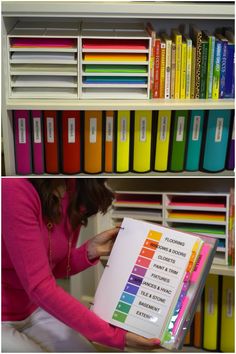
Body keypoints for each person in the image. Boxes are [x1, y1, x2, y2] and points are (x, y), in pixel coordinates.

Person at [2, 178, 161, 352]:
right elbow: (40, 286)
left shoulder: (73, 187)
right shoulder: (12, 187)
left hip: (32, 309)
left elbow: (50, 268)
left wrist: (89, 251)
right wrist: (113, 336)